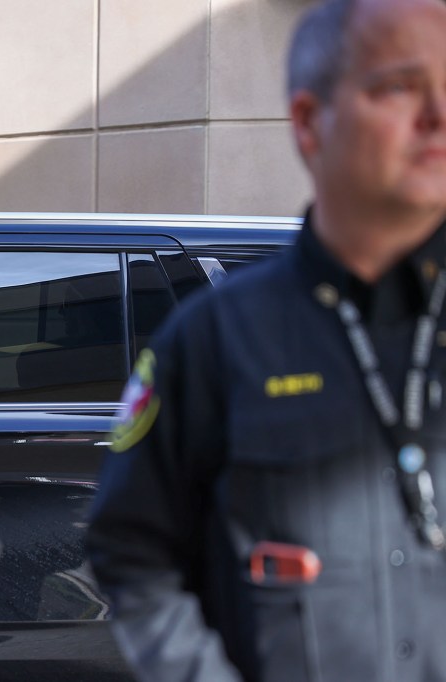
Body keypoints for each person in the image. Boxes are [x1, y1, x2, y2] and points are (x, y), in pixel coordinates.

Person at [85, 0, 446, 680]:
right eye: (400, 86)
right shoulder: (215, 337)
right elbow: (131, 549)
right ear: (310, 122)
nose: (437, 116)